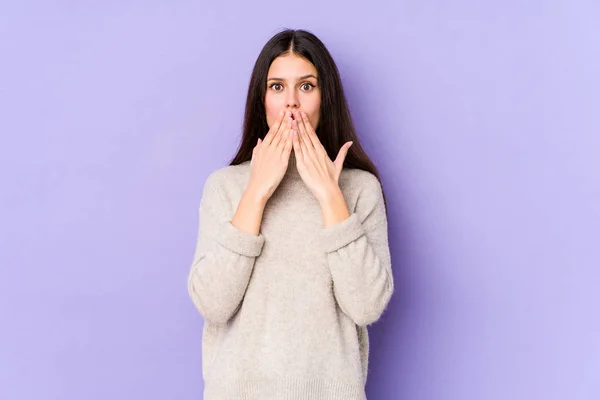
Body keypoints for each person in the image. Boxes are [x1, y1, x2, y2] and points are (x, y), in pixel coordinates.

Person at [187, 28, 394, 400]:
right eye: (277, 87)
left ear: (325, 97)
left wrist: (330, 196)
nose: (291, 104)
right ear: (261, 99)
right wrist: (256, 192)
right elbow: (213, 305)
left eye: (307, 86)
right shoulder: (225, 187)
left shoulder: (359, 189)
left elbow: (366, 306)